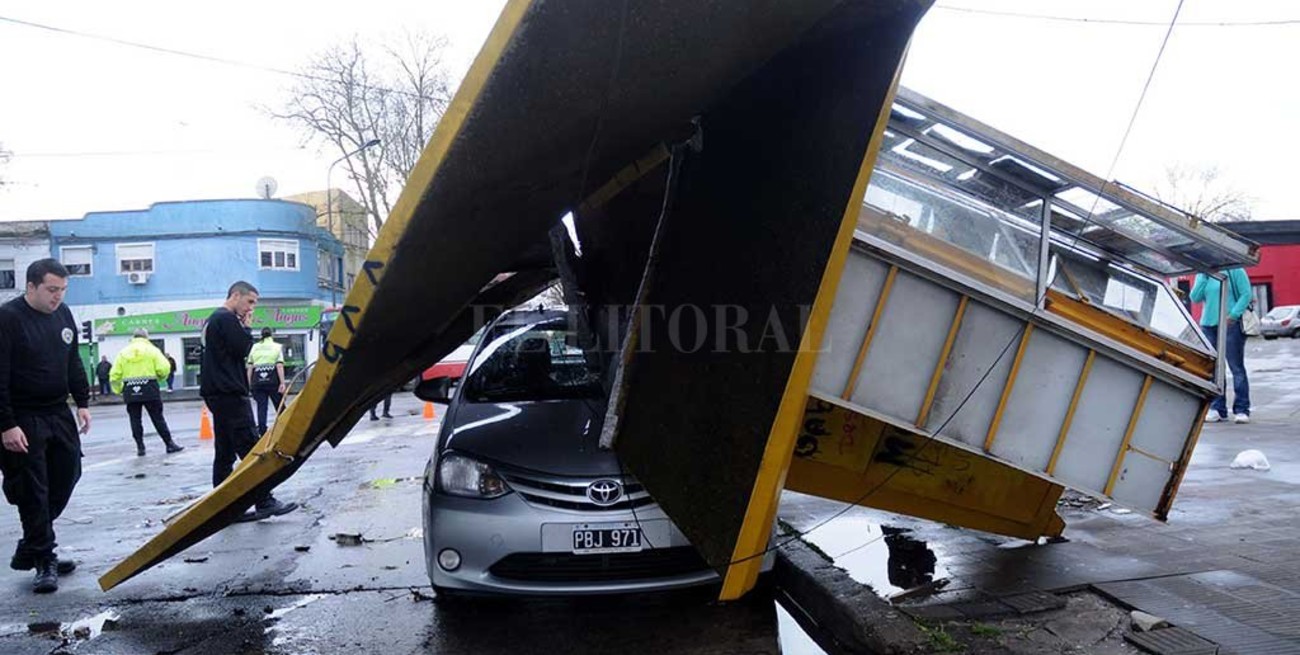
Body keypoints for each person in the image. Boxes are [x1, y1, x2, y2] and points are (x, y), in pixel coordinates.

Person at [0, 259, 92, 593]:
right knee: (33, 488)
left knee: (69, 472)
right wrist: (6, 425)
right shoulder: (8, 318)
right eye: (52, 289)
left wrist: (82, 402)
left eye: (63, 290)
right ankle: (43, 558)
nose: (58, 296)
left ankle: (33, 544)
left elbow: (72, 360)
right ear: (31, 286)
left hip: (57, 410)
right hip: (23, 416)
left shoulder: (63, 314)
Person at [201, 281, 296, 522]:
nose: (251, 308)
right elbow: (243, 348)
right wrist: (246, 326)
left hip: (218, 393)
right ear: (235, 295)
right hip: (230, 393)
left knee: (225, 451)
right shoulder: (226, 319)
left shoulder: (213, 319)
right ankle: (264, 500)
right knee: (251, 449)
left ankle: (224, 508)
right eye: (249, 302)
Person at [1190, 267, 1252, 423]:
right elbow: (1195, 297)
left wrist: (1234, 315)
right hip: (1208, 325)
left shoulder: (1235, 270)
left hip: (1231, 324)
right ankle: (1217, 408)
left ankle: (1242, 409)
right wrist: (1203, 276)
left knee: (1236, 367)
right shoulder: (1203, 273)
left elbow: (1246, 294)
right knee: (1215, 369)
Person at [110, 329, 183, 456]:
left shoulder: (123, 352)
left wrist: (119, 389)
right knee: (157, 418)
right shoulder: (152, 350)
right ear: (146, 337)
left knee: (135, 419)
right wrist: (160, 378)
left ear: (133, 337)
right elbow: (164, 368)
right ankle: (169, 444)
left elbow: (114, 375)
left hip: (130, 389)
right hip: (149, 388)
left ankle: (140, 447)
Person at [247, 328, 287, 436]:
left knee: (261, 407)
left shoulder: (254, 347)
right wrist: (282, 383)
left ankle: (262, 430)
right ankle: (285, 427)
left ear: (261, 335)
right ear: (271, 335)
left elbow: (250, 367)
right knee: (280, 406)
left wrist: (248, 383)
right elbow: (279, 365)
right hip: (273, 381)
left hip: (257, 381)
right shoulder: (277, 347)